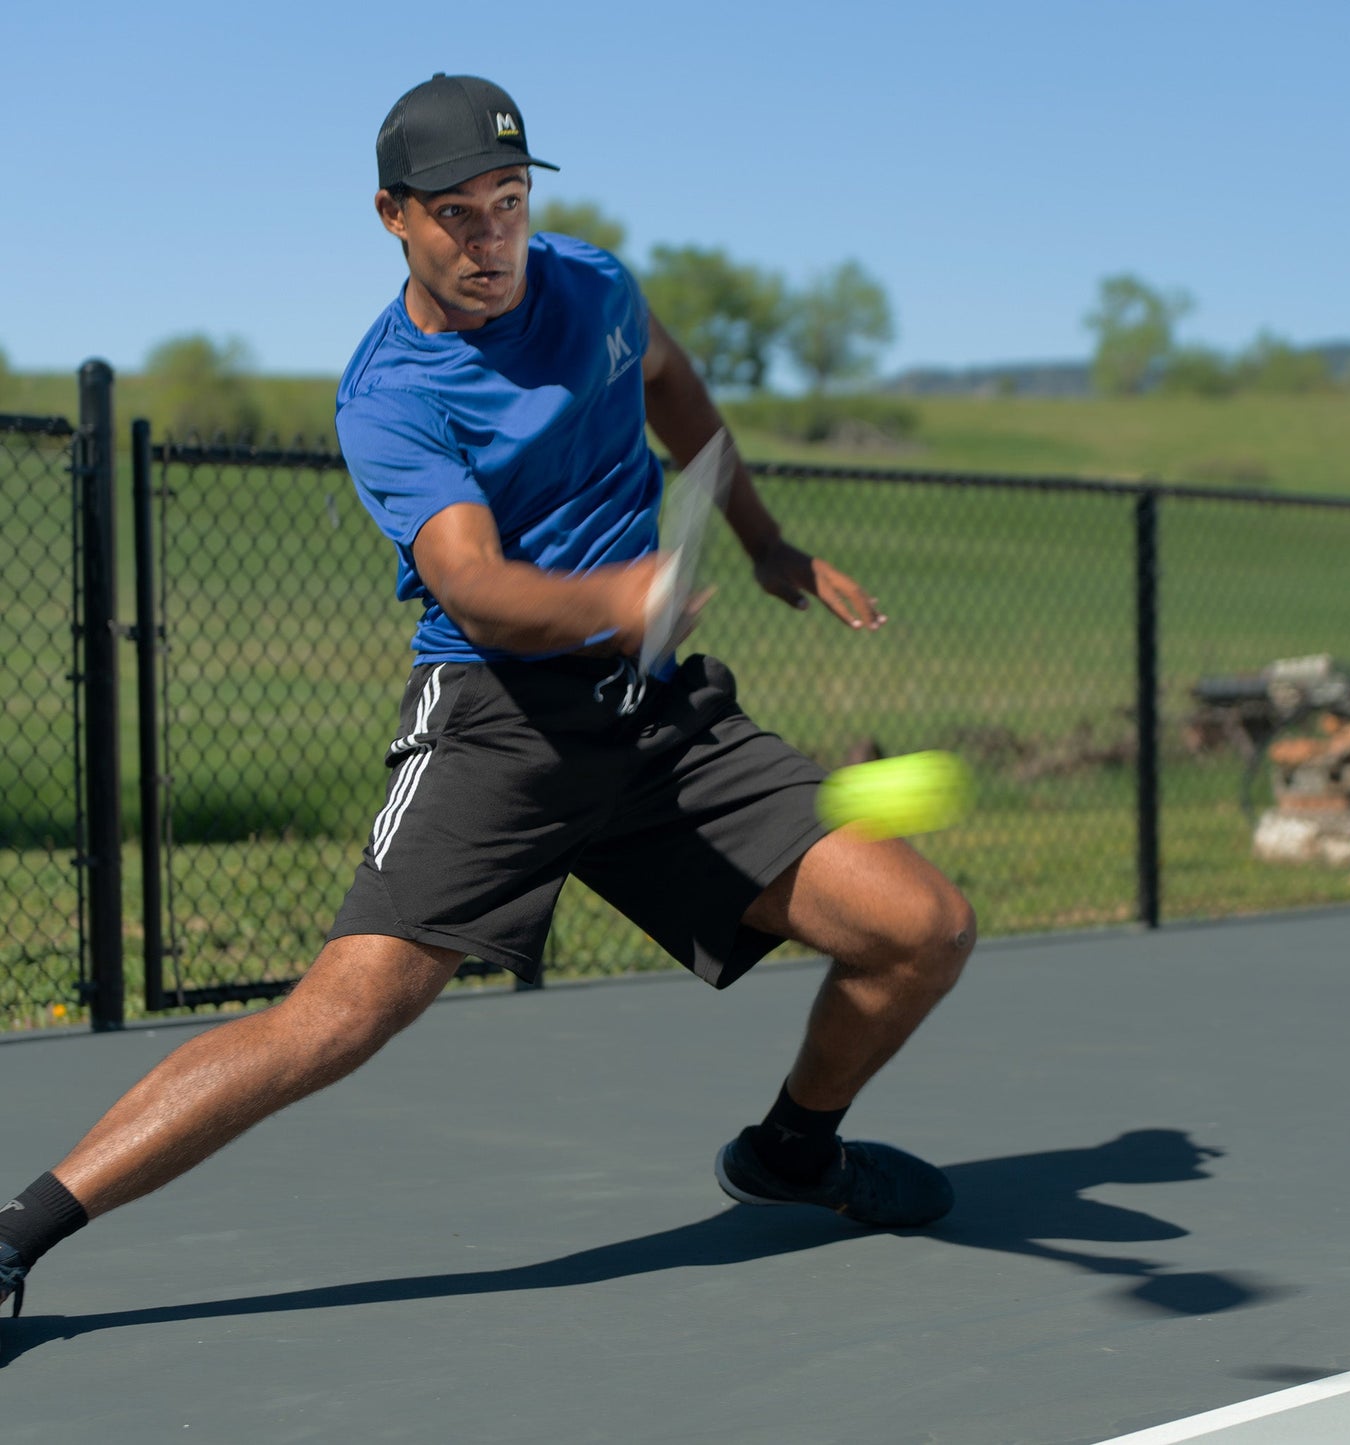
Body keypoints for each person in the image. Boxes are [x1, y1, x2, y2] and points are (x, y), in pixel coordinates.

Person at [0, 74, 975, 1322]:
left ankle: (791, 1152)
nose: (489, 237)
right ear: (391, 216)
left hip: (658, 715)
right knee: (340, 1015)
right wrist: (619, 597)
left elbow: (672, 388)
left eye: (507, 202)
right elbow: (476, 590)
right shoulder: (393, 392)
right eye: (455, 212)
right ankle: (18, 1236)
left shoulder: (598, 288)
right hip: (499, 719)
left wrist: (762, 540)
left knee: (921, 926)